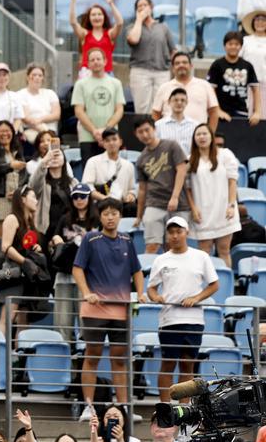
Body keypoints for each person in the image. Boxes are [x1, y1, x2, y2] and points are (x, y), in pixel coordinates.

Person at [72, 197, 145, 420]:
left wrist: (140, 293)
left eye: (114, 213)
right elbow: (77, 269)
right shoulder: (90, 239)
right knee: (92, 355)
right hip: (94, 310)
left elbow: (137, 271)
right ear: (100, 216)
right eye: (106, 213)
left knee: (120, 359)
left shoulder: (127, 241)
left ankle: (123, 407)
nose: (111, 217)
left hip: (121, 310)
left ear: (120, 216)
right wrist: (87, 293)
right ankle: (89, 407)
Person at [147, 216, 219, 401]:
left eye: (179, 231)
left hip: (194, 320)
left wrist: (196, 298)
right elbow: (151, 288)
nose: (175, 236)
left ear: (186, 232)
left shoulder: (201, 256)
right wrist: (157, 298)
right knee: (168, 363)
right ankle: (165, 407)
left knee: (188, 363)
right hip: (169, 319)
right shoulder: (161, 259)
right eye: (171, 232)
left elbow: (214, 284)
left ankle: (184, 409)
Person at [134, 115, 191, 253]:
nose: (145, 134)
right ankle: (148, 274)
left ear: (154, 129)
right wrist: (139, 215)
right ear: (136, 135)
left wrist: (175, 197)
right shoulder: (141, 159)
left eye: (147, 130)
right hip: (154, 203)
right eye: (140, 132)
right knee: (152, 245)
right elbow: (142, 189)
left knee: (174, 246)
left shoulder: (171, 146)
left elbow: (182, 170)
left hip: (179, 203)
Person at [50, 182, 99, 343]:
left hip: (86, 276)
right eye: (75, 197)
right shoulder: (65, 219)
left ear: (89, 198)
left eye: (83, 196)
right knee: (62, 322)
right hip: (64, 273)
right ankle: (66, 360)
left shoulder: (96, 220)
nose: (79, 200)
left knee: (85, 321)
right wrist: (56, 241)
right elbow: (55, 240)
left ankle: (83, 360)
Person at [188, 124, 241, 265]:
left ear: (211, 136)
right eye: (198, 134)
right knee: (203, 252)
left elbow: (232, 181)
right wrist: (193, 209)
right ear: (194, 139)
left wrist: (231, 205)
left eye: (204, 133)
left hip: (224, 210)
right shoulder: (190, 159)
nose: (201, 137)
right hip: (202, 212)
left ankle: (226, 285)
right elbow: (187, 189)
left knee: (224, 250)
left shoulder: (225, 154)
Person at [0, 184, 44, 332]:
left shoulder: (30, 222)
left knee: (24, 319)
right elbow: (6, 247)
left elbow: (26, 245)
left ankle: (20, 354)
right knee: (8, 317)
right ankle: (0, 352)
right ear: (23, 199)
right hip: (13, 272)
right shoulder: (12, 218)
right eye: (33, 197)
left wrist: (35, 249)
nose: (36, 201)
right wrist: (24, 261)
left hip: (27, 274)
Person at [72, 47, 126, 161]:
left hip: (111, 136)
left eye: (98, 59)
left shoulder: (116, 83)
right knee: (89, 173)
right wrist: (94, 131)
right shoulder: (80, 84)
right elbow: (79, 110)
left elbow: (119, 109)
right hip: (87, 136)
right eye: (92, 60)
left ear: (105, 61)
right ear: (88, 64)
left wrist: (105, 130)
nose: (96, 62)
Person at [126, 0, 174, 116]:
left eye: (144, 5)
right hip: (140, 72)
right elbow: (134, 39)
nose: (142, 8)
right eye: (139, 7)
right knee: (142, 109)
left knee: (163, 108)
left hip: (162, 72)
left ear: (151, 8)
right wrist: (139, 20)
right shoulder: (132, 27)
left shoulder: (163, 27)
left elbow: (173, 50)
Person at [152, 52, 220, 134]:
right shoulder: (164, 87)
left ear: (191, 66)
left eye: (184, 62)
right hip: (169, 137)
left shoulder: (204, 85)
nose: (181, 65)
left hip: (197, 138)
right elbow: (156, 113)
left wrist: (210, 134)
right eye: (177, 63)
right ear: (173, 68)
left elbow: (214, 112)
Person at [0, 120, 27, 237]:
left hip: (17, 201)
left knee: (18, 237)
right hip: (0, 199)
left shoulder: (17, 153)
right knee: (0, 239)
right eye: (1, 131)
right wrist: (10, 166)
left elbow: (24, 176)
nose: (4, 134)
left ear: (12, 133)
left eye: (7, 131)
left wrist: (19, 192)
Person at [208, 31, 261, 126]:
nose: (233, 47)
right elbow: (211, 90)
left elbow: (256, 89)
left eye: (236, 44)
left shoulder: (247, 65)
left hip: (241, 112)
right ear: (225, 46)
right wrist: (217, 110)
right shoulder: (217, 65)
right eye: (230, 44)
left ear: (241, 46)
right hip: (221, 113)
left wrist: (257, 112)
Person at [67, 0, 123, 76]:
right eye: (93, 15)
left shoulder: (109, 34)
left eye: (99, 14)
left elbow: (119, 23)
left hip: (106, 73)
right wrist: (73, 1)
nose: (97, 17)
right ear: (89, 18)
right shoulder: (85, 34)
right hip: (87, 73)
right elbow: (73, 22)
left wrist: (111, 3)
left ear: (104, 17)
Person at [81, 127, 137, 211]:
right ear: (103, 143)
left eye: (114, 139)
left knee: (132, 207)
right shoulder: (93, 161)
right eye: (107, 140)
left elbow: (132, 189)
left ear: (120, 142)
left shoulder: (128, 165)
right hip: (100, 203)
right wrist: (104, 198)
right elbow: (87, 186)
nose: (111, 143)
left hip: (122, 204)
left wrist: (131, 195)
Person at [16, 63, 61, 152]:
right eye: (34, 75)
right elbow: (26, 118)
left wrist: (40, 120)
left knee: (55, 157)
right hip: (32, 135)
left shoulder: (50, 93)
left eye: (40, 75)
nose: (37, 78)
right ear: (28, 77)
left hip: (52, 134)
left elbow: (56, 115)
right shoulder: (20, 94)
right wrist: (43, 131)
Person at [156, 88, 198, 158]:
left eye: (182, 100)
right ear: (169, 102)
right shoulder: (159, 125)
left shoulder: (195, 125)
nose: (179, 103)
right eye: (175, 100)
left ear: (187, 103)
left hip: (189, 164)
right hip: (167, 164)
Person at [241, 8, 266, 119]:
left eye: (263, 20)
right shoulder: (246, 40)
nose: (260, 23)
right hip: (248, 85)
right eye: (257, 20)